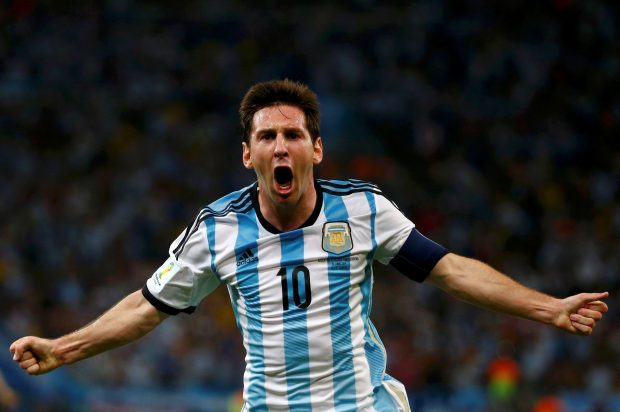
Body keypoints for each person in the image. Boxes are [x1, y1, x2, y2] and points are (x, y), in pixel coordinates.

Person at [9, 80, 609, 411]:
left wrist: (548, 307)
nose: (279, 146)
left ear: (315, 149)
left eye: (292, 134)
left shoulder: (363, 210)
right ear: (248, 155)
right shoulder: (217, 230)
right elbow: (146, 307)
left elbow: (449, 270)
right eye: (266, 136)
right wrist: (64, 349)